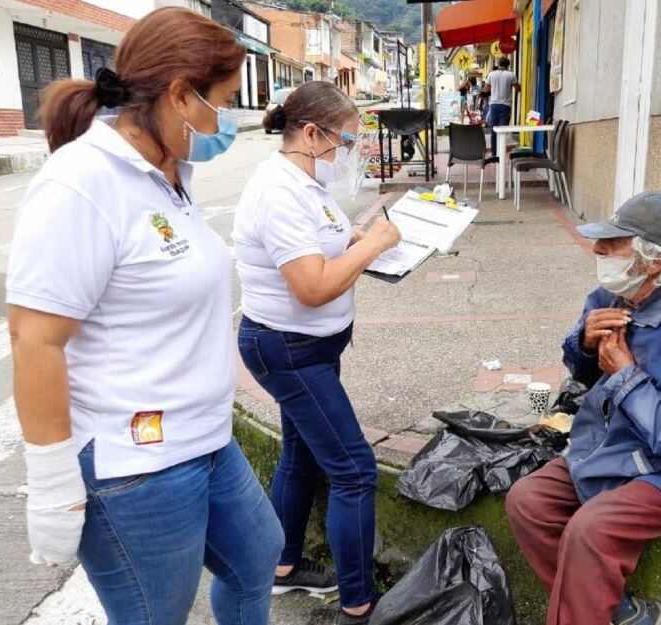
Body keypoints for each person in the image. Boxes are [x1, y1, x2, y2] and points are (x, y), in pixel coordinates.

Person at [6, 8, 284, 625]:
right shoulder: (81, 184)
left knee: (257, 556)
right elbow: (34, 339)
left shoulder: (168, 172)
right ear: (180, 96)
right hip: (135, 464)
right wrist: (52, 484)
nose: (225, 122)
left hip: (204, 437)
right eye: (222, 103)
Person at [505, 192, 661, 625]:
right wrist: (585, 344)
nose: (598, 250)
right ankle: (616, 612)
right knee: (528, 501)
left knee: (590, 529)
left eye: (613, 243)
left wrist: (625, 376)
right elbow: (583, 374)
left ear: (654, 261)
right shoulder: (614, 295)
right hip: (612, 448)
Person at [232, 81, 402, 625]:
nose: (351, 152)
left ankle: (282, 567)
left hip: (310, 348)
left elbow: (328, 240)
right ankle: (358, 604)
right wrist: (372, 247)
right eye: (347, 141)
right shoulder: (278, 192)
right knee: (354, 469)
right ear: (311, 134)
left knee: (301, 453)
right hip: (289, 350)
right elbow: (311, 287)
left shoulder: (306, 183)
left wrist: (359, 239)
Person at [483, 57, 520, 156]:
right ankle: (501, 154)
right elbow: (517, 89)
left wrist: (494, 87)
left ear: (499, 64)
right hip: (505, 106)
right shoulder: (511, 75)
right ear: (508, 65)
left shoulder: (491, 74)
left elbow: (486, 89)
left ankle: (494, 153)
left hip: (494, 105)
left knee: (494, 129)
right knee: (503, 131)